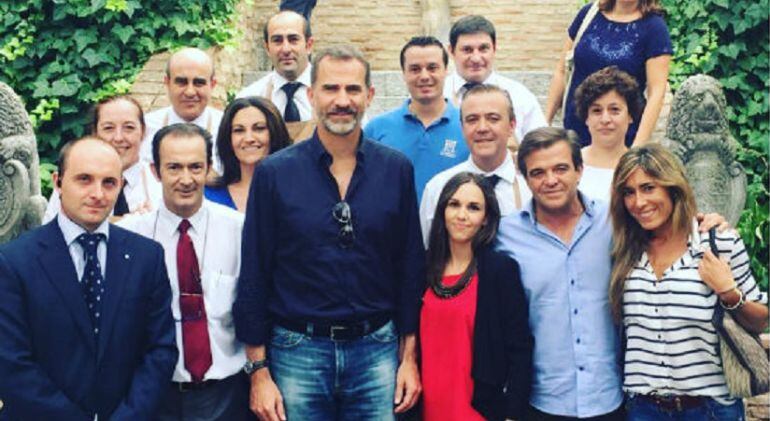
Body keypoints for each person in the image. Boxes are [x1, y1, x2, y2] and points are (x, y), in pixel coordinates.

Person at [233, 45, 424, 421]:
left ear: (369, 95)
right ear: (311, 95)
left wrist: (409, 358)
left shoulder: (396, 170)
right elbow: (255, 270)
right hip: (296, 351)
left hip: (377, 351)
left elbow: (410, 266)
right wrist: (258, 372)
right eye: (330, 89)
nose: (342, 100)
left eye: (352, 90)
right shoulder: (274, 174)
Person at [496, 127, 728, 420]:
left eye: (561, 168)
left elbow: (665, 229)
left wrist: (705, 221)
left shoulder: (617, 221)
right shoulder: (505, 234)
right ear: (524, 177)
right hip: (542, 401)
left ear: (580, 170)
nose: (551, 180)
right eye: (538, 172)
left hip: (610, 399)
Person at [0, 137, 177, 419]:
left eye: (109, 182)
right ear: (58, 182)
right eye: (84, 179)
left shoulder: (147, 258)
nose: (98, 193)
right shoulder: (14, 261)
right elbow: (10, 362)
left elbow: (160, 351)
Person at [608, 144, 768, 420]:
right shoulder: (623, 251)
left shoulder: (718, 244)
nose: (638, 202)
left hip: (709, 409)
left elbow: (761, 320)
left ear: (673, 188)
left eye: (648, 188)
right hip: (643, 409)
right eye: (628, 192)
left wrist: (729, 292)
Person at [119, 124, 252, 420]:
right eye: (174, 167)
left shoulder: (240, 229)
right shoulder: (130, 237)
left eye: (195, 167)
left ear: (208, 169)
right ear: (155, 171)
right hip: (155, 395)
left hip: (227, 394)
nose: (186, 179)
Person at [421, 172, 532, 421]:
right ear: (442, 211)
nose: (462, 215)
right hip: (426, 406)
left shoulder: (499, 270)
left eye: (473, 208)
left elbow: (520, 348)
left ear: (485, 218)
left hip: (479, 407)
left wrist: (513, 413)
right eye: (454, 204)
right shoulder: (422, 267)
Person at [545, 0, 672, 147]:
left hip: (619, 141)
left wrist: (636, 148)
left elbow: (656, 93)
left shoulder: (654, 28)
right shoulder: (589, 14)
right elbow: (562, 71)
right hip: (574, 135)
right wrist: (544, 121)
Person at [420, 84, 531, 245]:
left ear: (512, 125)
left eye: (493, 119)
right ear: (462, 127)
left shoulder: (530, 187)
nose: (482, 128)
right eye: (472, 120)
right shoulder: (439, 188)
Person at [364, 36, 469, 202]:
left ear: (446, 70)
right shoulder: (376, 129)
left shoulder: (468, 126)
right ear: (404, 74)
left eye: (432, 67)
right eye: (415, 69)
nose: (424, 76)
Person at [43, 95, 162, 223]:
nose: (118, 138)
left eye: (129, 128)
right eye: (108, 128)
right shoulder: (72, 179)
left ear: (143, 132)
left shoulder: (160, 182)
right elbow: (49, 233)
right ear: (95, 133)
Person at [443, 15, 547, 144]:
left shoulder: (520, 96)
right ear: (451, 51)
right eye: (467, 50)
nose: (476, 58)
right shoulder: (440, 94)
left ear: (494, 48)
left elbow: (542, 146)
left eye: (483, 49)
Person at [141, 47, 224, 173]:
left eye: (198, 83)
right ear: (167, 83)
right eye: (182, 82)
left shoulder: (227, 128)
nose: (190, 92)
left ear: (212, 85)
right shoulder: (145, 129)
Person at [237, 11, 316, 141]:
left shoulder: (331, 94)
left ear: (308, 45)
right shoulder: (249, 97)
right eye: (277, 41)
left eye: (293, 40)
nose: (285, 49)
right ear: (267, 48)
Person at [205, 97, 292, 212]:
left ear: (275, 133)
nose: (249, 138)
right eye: (239, 130)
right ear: (228, 138)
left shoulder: (296, 194)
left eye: (259, 128)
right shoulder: (208, 198)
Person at [574, 66, 642, 202]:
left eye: (614, 110)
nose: (605, 119)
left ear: (630, 116)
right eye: (597, 111)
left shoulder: (641, 168)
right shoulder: (570, 164)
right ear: (586, 117)